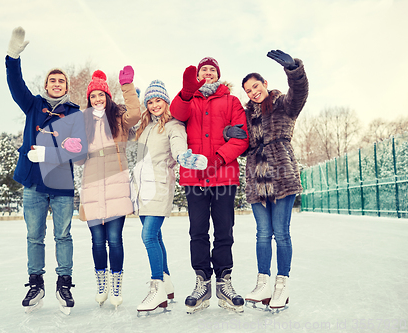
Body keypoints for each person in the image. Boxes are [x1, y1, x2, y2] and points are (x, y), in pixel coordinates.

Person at [5, 27, 87, 314]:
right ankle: (35, 282)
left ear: (66, 87)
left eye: (60, 80)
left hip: (62, 183)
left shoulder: (74, 113)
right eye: (52, 80)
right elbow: (16, 85)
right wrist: (12, 57)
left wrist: (50, 152)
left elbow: (79, 151)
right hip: (33, 182)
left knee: (63, 235)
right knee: (34, 236)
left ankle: (64, 282)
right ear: (46, 84)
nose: (56, 83)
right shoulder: (33, 106)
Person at [225, 50, 309, 312]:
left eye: (255, 86)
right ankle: (263, 283)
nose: (253, 92)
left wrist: (294, 70)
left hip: (281, 174)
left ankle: (281, 286)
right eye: (248, 90)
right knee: (263, 233)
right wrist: (233, 134)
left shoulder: (283, 104)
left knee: (281, 233)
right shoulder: (248, 116)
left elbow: (300, 93)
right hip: (257, 178)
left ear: (265, 85)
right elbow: (241, 144)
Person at [170, 57, 249, 313]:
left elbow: (241, 137)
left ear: (218, 75)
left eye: (212, 70)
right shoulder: (188, 99)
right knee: (198, 231)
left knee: (224, 231)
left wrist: (218, 159)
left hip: (224, 176)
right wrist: (185, 92)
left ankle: (224, 281)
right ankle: (201, 282)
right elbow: (176, 114)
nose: (207, 72)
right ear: (198, 74)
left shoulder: (232, 101)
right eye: (203, 69)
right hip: (194, 177)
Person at [131, 80, 207, 314]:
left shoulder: (174, 125)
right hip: (141, 189)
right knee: (156, 236)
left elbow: (177, 145)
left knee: (148, 236)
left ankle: (157, 287)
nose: (154, 106)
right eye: (150, 102)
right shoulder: (145, 126)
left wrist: (184, 158)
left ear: (166, 102)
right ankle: (167, 284)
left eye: (158, 101)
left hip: (160, 185)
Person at [80, 66, 140, 309]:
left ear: (107, 97)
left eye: (101, 95)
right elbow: (76, 159)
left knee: (114, 239)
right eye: (93, 96)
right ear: (89, 99)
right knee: (96, 241)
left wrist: (127, 87)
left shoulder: (119, 118)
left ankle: (116, 286)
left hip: (116, 186)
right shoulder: (83, 123)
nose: (97, 99)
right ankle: (101, 283)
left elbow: (136, 114)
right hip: (92, 188)